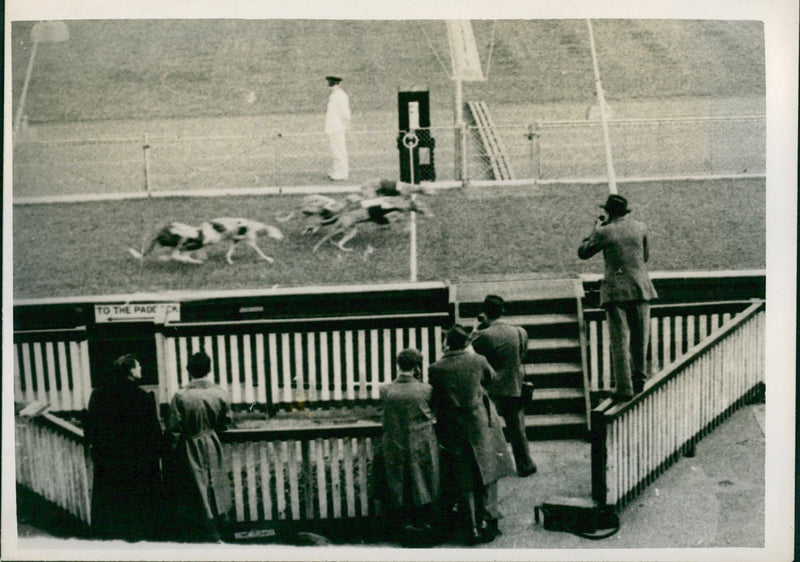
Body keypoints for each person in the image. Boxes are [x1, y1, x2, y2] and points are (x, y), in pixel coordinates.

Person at [428, 326, 515, 545]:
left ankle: (471, 527)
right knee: (486, 471)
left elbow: (435, 396)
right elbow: (491, 379)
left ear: (447, 344)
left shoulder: (436, 368)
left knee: (462, 476)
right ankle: (488, 521)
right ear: (466, 343)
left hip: (452, 426)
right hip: (480, 423)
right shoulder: (478, 360)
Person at [578, 194, 658, 400]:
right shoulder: (640, 227)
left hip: (615, 291)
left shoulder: (604, 232)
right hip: (640, 287)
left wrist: (595, 229)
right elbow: (645, 257)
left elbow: (583, 252)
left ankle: (624, 388)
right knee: (641, 336)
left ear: (608, 212)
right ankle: (639, 378)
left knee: (620, 340)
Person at [84, 354, 165, 541]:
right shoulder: (143, 398)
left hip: (109, 461)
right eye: (138, 366)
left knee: (112, 501)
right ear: (129, 371)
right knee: (136, 503)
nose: (141, 369)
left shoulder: (99, 395)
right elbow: (153, 433)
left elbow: (91, 429)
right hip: (137, 461)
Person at [374, 348, 440, 545]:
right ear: (417, 367)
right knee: (423, 482)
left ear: (398, 365)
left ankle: (403, 528)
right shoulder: (426, 389)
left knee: (398, 483)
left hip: (395, 445)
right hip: (421, 445)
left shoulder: (386, 390)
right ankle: (424, 526)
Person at [164, 351, 232, 542]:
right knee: (215, 484)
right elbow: (225, 422)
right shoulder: (220, 393)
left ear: (188, 370)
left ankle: (205, 531)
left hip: (189, 444)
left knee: (196, 487)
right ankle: (220, 527)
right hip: (212, 442)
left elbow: (173, 430)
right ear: (209, 369)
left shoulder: (181, 396)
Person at [471, 294, 537, 477]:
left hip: (490, 388)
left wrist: (476, 328)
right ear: (503, 311)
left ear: (485, 312)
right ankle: (525, 464)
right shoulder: (519, 332)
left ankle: (492, 468)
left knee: (488, 430)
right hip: (514, 385)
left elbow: (467, 350)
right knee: (517, 429)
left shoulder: (483, 335)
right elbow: (522, 355)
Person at [325, 75, 351, 181]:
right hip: (332, 127)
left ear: (338, 84)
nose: (331, 86)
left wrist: (345, 126)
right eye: (330, 84)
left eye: (333, 84)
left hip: (338, 127)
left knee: (339, 150)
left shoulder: (340, 96)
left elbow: (345, 113)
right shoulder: (334, 95)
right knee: (335, 150)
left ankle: (342, 173)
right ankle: (337, 171)